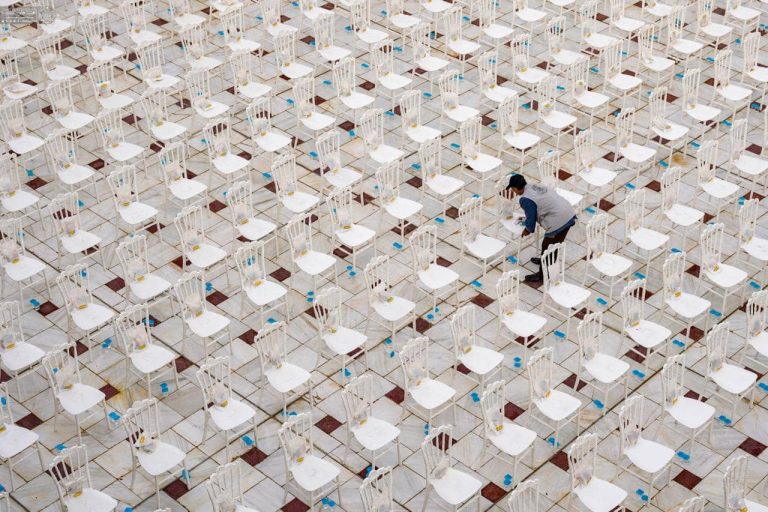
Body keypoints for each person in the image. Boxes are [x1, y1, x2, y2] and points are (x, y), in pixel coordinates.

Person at [505, 174, 576, 282]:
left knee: (547, 247)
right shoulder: (534, 185)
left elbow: (531, 217)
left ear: (515, 188)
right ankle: (546, 261)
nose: (513, 191)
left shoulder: (525, 199)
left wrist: (527, 229)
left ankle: (542, 275)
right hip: (568, 212)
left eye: (512, 189)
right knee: (554, 246)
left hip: (558, 219)